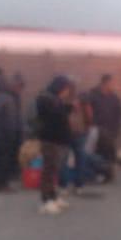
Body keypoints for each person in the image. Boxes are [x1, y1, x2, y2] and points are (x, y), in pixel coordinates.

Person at [35, 76, 75, 215]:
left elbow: (59, 113)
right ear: (60, 87)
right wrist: (65, 109)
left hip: (56, 141)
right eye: (66, 89)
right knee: (48, 170)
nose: (67, 92)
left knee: (53, 171)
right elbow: (54, 117)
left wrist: (67, 108)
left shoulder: (54, 99)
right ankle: (46, 201)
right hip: (50, 140)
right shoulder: (46, 99)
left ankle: (53, 197)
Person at [89, 75, 121, 183]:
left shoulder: (114, 97)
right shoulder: (93, 95)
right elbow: (88, 112)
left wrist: (116, 128)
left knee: (109, 154)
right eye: (111, 83)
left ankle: (108, 175)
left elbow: (119, 113)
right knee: (96, 153)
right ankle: (96, 174)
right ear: (105, 83)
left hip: (110, 131)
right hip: (96, 130)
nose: (112, 86)